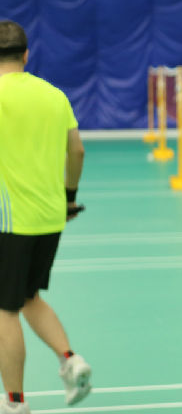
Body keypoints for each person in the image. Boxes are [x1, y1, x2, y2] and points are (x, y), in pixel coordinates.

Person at [0, 21, 91, 414]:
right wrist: (69, 198)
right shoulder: (55, 95)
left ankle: (14, 402)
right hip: (50, 216)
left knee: (5, 309)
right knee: (28, 297)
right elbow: (77, 151)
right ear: (25, 54)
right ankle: (70, 360)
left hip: (9, 220)